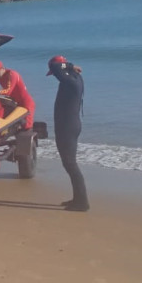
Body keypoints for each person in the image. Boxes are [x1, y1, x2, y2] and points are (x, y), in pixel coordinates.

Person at [47, 55, 88, 212]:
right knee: (69, 163)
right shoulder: (73, 79)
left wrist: (68, 65)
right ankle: (77, 199)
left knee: (70, 164)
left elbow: (57, 67)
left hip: (67, 126)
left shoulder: (71, 80)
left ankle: (82, 203)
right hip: (70, 125)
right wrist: (68, 68)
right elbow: (58, 69)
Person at [0, 60, 36, 129]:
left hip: (26, 103)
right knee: (10, 124)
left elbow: (8, 91)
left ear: (3, 69)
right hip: (15, 103)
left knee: (26, 126)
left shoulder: (12, 74)